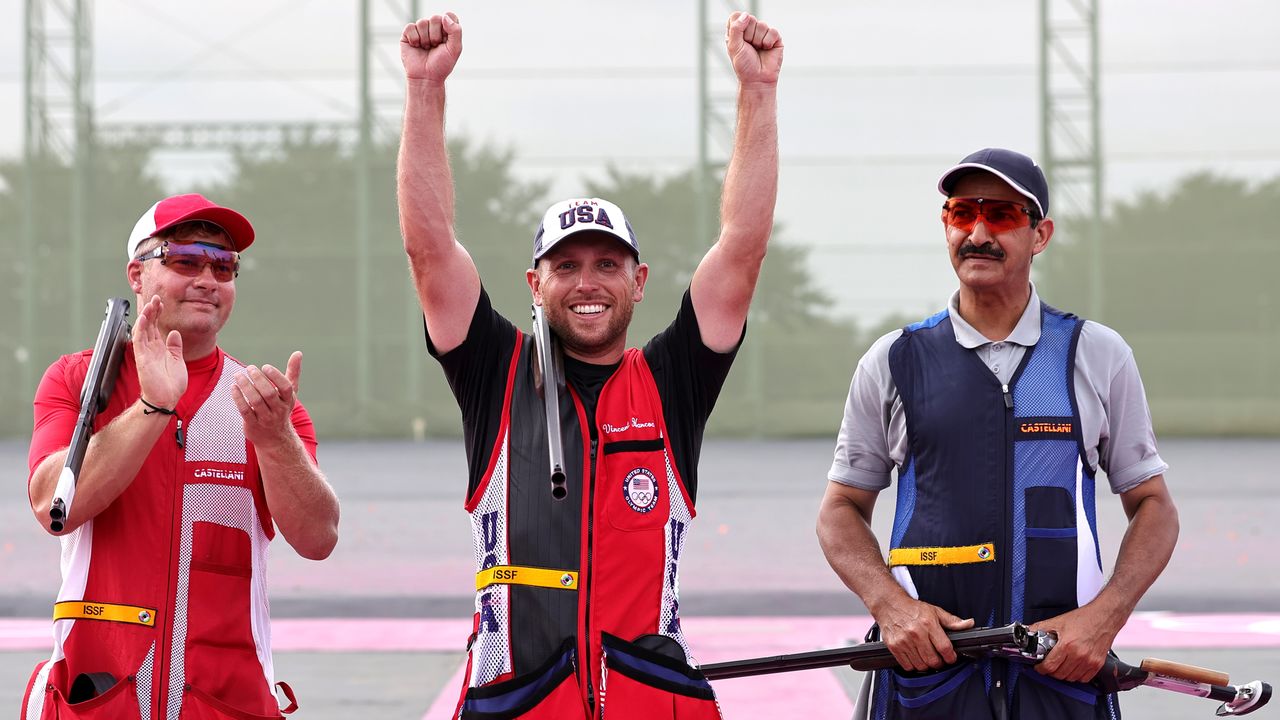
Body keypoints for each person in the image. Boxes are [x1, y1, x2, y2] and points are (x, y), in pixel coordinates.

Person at [397, 11, 781, 720]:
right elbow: (430, 248)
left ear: (639, 282)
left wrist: (757, 93)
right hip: (521, 701)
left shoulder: (673, 382)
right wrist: (425, 90)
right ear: (533, 284)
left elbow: (742, 250)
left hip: (649, 700)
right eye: (565, 266)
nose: (587, 283)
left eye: (608, 264)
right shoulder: (496, 371)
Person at [816, 149, 1179, 719]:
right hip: (929, 681)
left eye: (1003, 215)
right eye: (962, 213)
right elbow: (840, 509)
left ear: (1040, 234)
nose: (978, 232)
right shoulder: (893, 361)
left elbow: (1154, 506)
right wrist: (891, 608)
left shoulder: (1096, 353)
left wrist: (1104, 618)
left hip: (1062, 676)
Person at [21, 194, 340, 719]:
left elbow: (319, 537)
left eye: (224, 265)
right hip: (100, 699)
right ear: (137, 275)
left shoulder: (264, 404)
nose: (208, 278)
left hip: (226, 704)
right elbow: (53, 505)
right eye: (184, 260)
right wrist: (153, 406)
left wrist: (275, 439)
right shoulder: (78, 379)